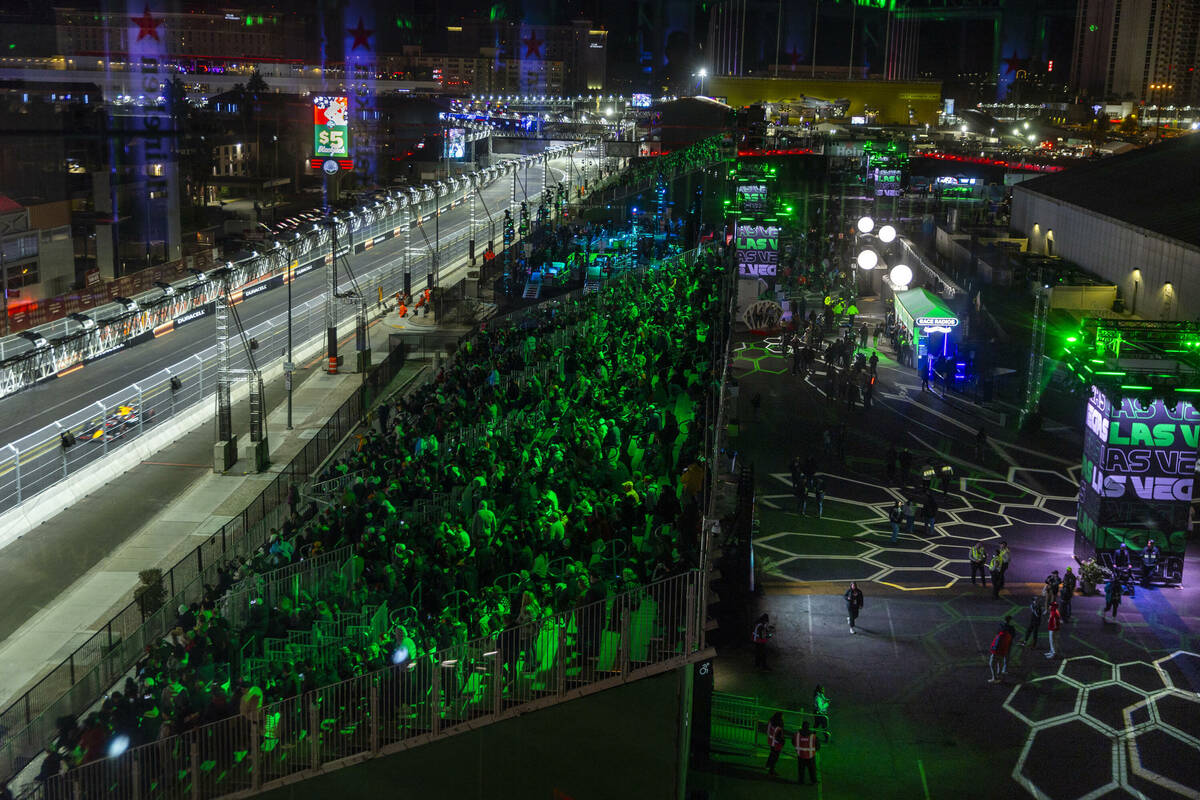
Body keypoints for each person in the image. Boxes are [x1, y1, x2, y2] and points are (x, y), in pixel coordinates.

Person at [988, 616, 1015, 683]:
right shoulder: (1011, 631)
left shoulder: (1001, 631)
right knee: (1002, 660)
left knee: (992, 663)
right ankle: (1001, 673)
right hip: (1006, 647)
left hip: (998, 650)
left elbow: (997, 641)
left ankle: (995, 678)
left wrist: (993, 650)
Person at [765, 711, 786, 776]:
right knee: (775, 757)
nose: (784, 718)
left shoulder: (771, 722)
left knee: (772, 754)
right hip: (776, 744)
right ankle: (771, 770)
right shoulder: (779, 727)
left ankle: (768, 765)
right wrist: (783, 742)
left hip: (770, 741)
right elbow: (780, 738)